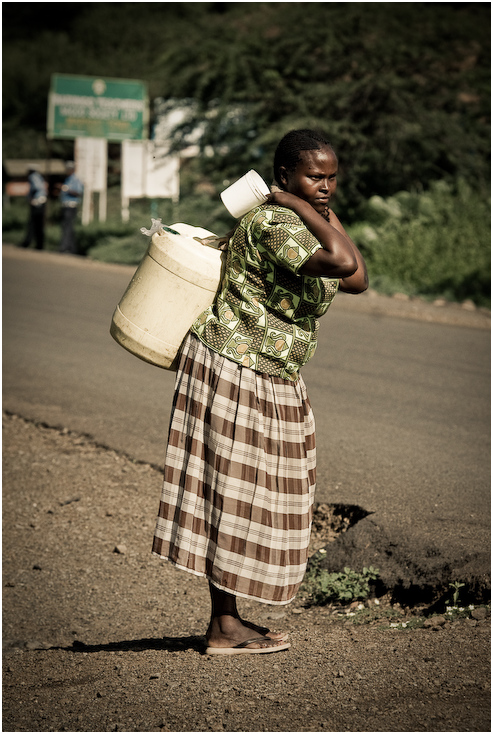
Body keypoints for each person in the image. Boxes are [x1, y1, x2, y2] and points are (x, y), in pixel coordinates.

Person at [152, 129, 368, 655]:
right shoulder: (273, 222)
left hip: (269, 371)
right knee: (233, 492)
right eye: (314, 177)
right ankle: (224, 627)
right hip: (235, 365)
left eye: (331, 178)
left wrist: (311, 206)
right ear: (283, 177)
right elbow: (341, 264)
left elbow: (359, 278)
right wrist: (292, 204)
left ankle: (227, 623)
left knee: (255, 493)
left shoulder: (299, 220)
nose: (326, 186)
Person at [59, 162, 84, 254]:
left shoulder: (75, 180)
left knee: (68, 227)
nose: (67, 171)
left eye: (68, 169)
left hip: (71, 206)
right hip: (66, 205)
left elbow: (78, 192)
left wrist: (68, 190)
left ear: (72, 170)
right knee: (66, 226)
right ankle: (71, 248)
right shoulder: (68, 179)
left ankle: (65, 247)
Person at [20, 164, 47, 250]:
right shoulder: (40, 177)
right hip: (42, 202)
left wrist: (31, 196)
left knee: (33, 224)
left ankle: (27, 242)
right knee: (39, 224)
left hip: (37, 202)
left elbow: (37, 187)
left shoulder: (33, 176)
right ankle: (39, 245)